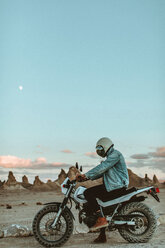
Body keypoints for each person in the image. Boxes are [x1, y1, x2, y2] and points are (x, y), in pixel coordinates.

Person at [76, 137, 129, 243]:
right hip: (113, 186)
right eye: (97, 149)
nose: (98, 151)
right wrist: (85, 178)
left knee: (88, 193)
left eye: (100, 148)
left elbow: (102, 167)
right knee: (100, 205)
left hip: (117, 186)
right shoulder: (110, 158)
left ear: (106, 145)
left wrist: (86, 175)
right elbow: (100, 173)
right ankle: (102, 235)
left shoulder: (115, 154)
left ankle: (101, 219)